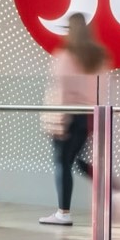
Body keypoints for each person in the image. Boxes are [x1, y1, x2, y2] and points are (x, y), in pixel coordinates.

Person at [39, 12, 111, 226]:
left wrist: (57, 121)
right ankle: (114, 197)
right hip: (89, 116)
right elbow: (101, 89)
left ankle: (63, 212)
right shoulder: (99, 56)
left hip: (68, 115)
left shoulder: (65, 56)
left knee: (62, 164)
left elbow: (60, 91)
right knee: (77, 163)